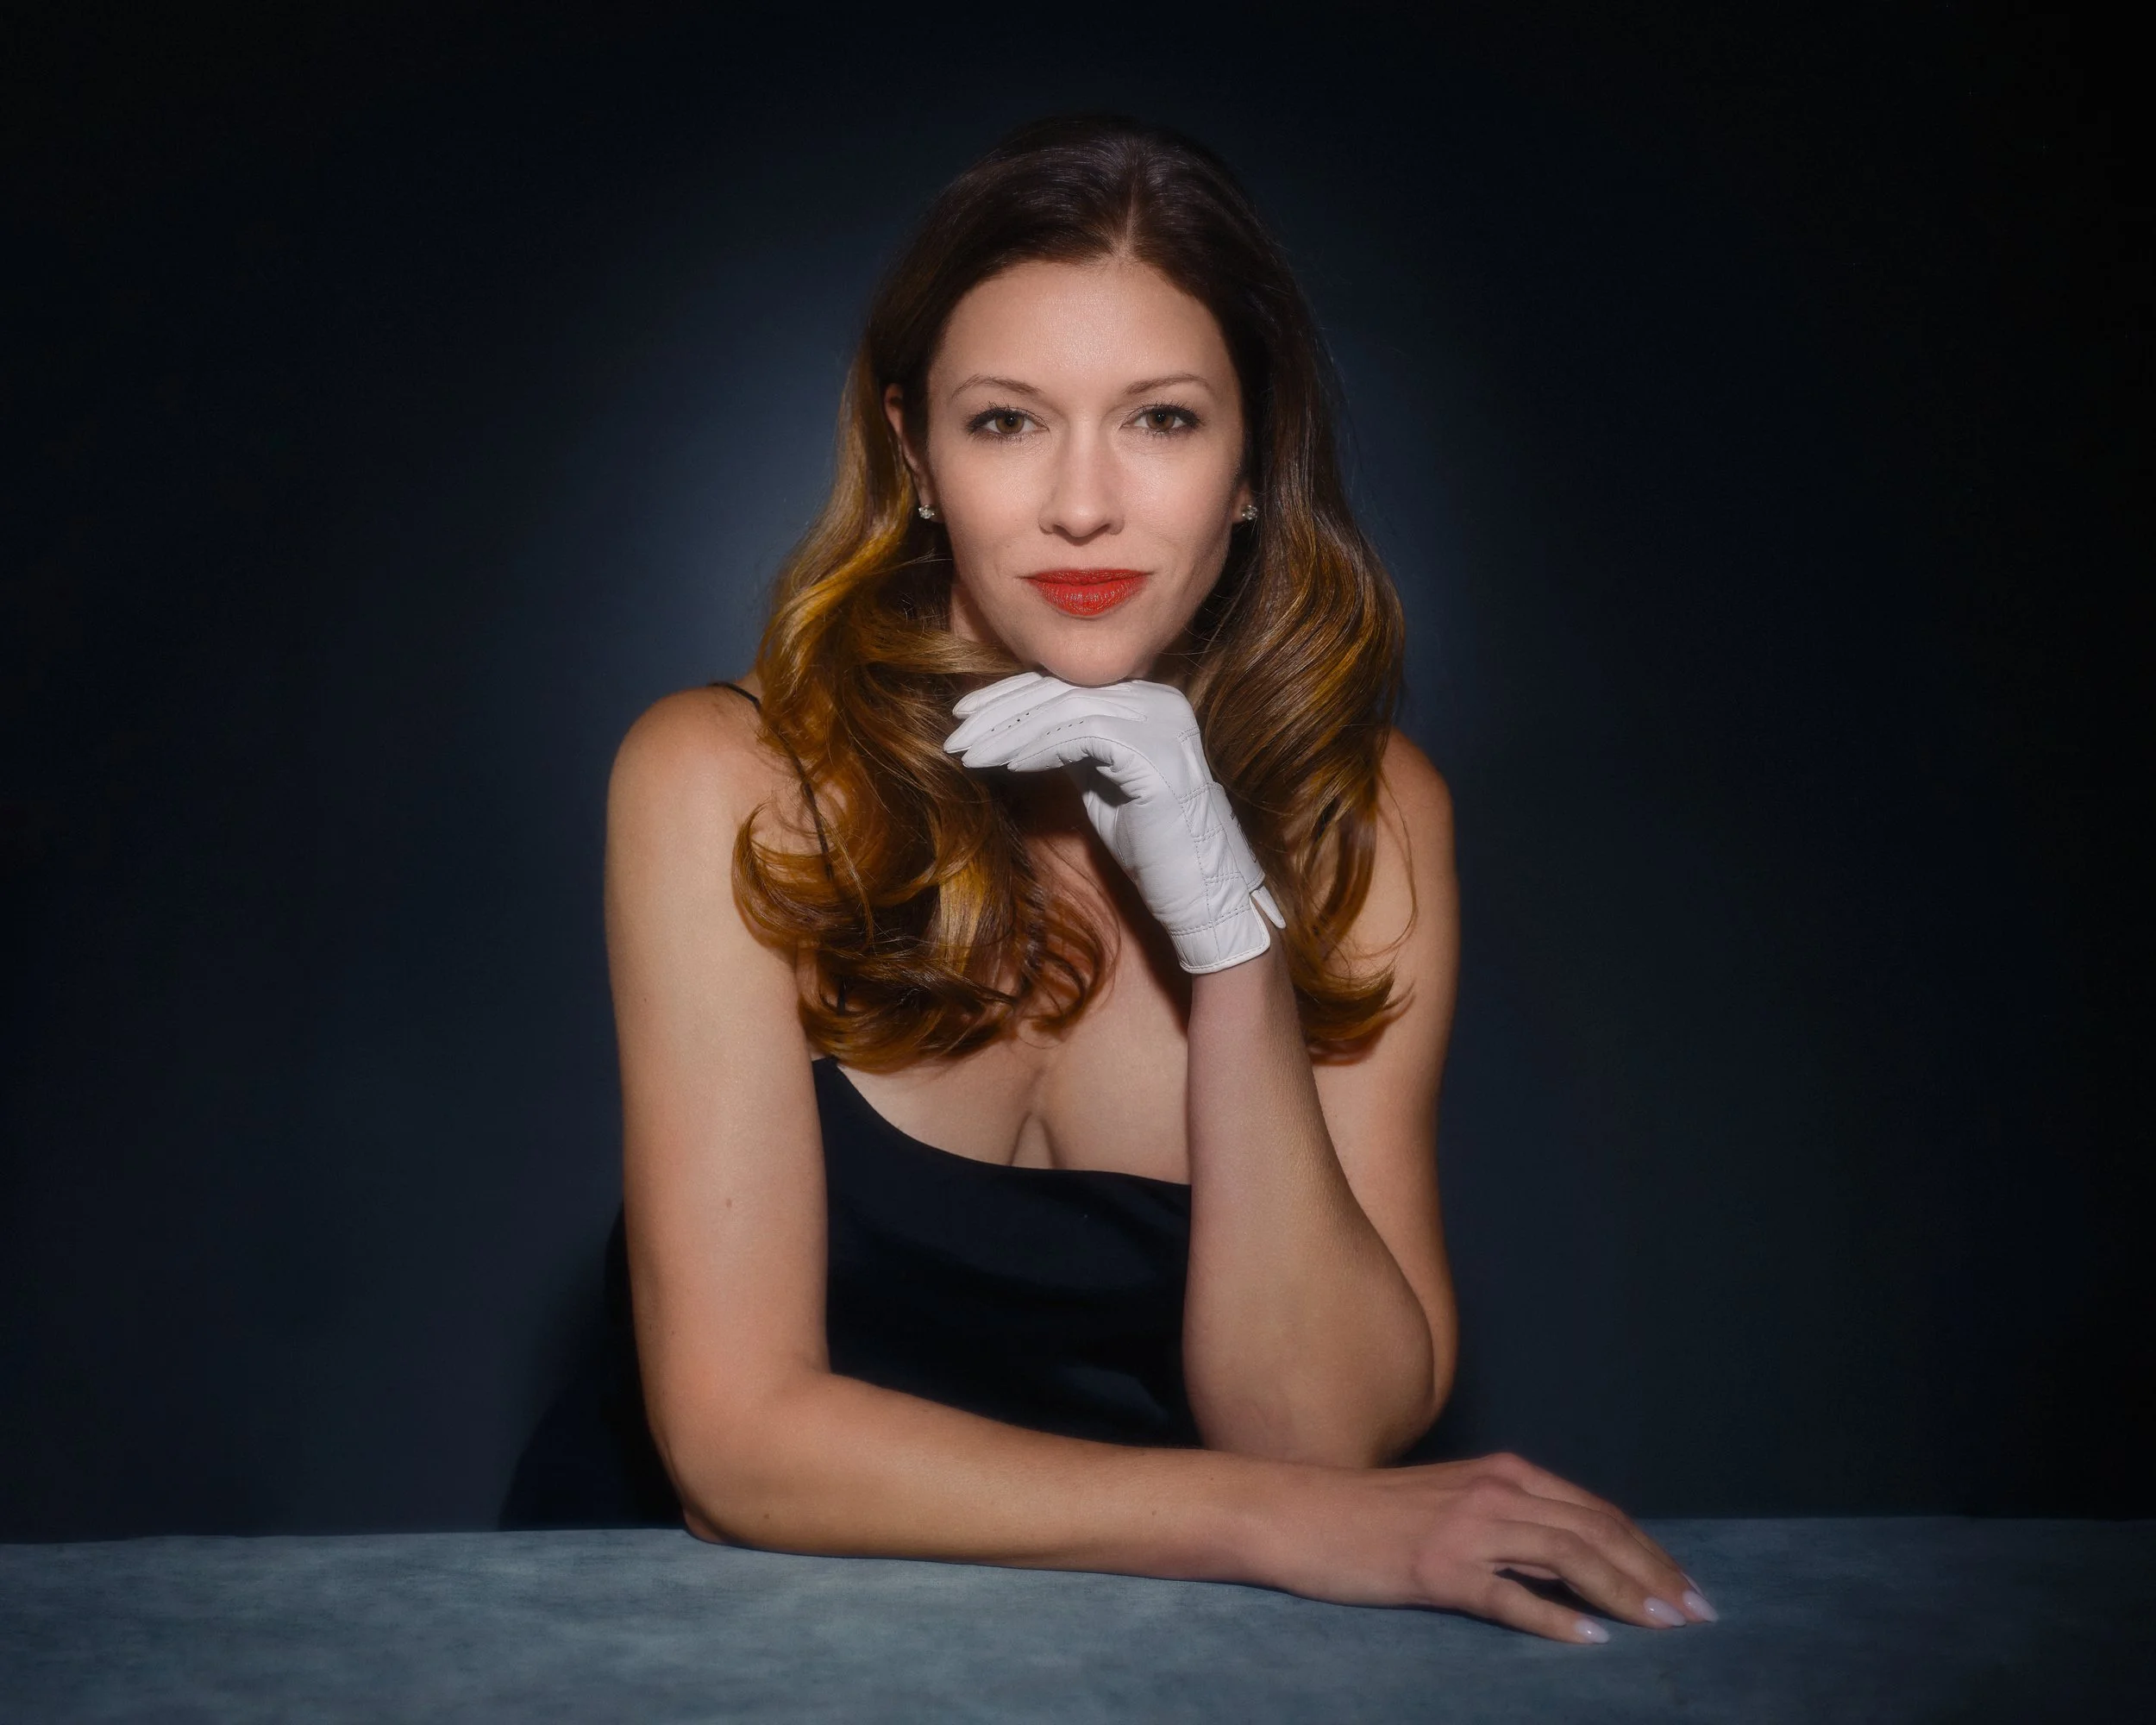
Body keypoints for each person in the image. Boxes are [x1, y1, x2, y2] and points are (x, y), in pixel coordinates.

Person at [504, 114, 1716, 1645]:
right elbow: (742, 1448)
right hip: (686, 1630)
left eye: (1161, 420)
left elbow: (1320, 1434)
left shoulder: (1371, 820)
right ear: (916, 457)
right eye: (1008, 422)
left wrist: (1229, 935)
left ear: (1255, 463)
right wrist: (1274, 1525)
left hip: (1139, 1652)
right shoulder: (724, 781)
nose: (1085, 503)